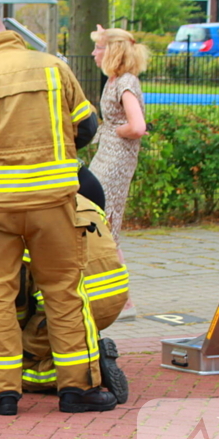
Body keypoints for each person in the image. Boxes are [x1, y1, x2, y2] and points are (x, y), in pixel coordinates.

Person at [0, 11, 115, 416]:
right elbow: (87, 129)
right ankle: (78, 388)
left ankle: (1, 393)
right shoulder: (55, 68)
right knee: (64, 290)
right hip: (52, 202)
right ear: (9, 34)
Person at [19, 194, 130, 403]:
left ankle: (89, 370)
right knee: (68, 336)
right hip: (113, 300)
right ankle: (88, 351)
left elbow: (19, 289)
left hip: (68, 307)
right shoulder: (89, 204)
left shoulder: (25, 212)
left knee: (13, 367)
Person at [88, 26, 148, 320]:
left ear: (111, 51)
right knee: (101, 220)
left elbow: (137, 126)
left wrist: (116, 131)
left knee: (106, 223)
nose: (94, 53)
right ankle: (117, 297)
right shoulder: (114, 80)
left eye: (98, 48)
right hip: (106, 154)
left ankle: (123, 300)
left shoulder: (125, 82)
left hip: (116, 159)